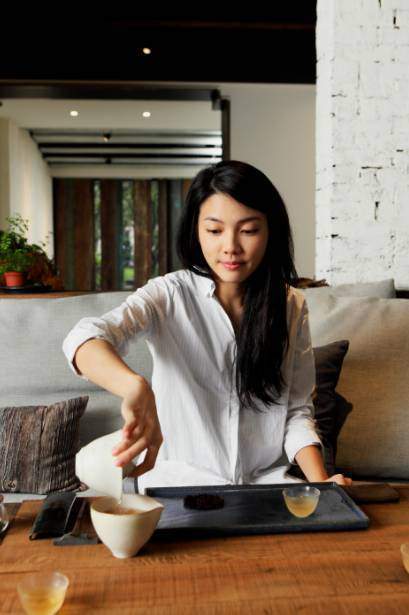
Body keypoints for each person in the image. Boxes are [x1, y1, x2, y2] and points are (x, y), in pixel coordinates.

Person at [62, 160, 352, 492]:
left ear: (270, 232)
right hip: (181, 487)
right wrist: (134, 387)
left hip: (264, 487)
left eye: (248, 230)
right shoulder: (169, 295)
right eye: (214, 231)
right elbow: (84, 338)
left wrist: (322, 485)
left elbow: (297, 411)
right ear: (196, 231)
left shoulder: (290, 305)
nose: (230, 247)